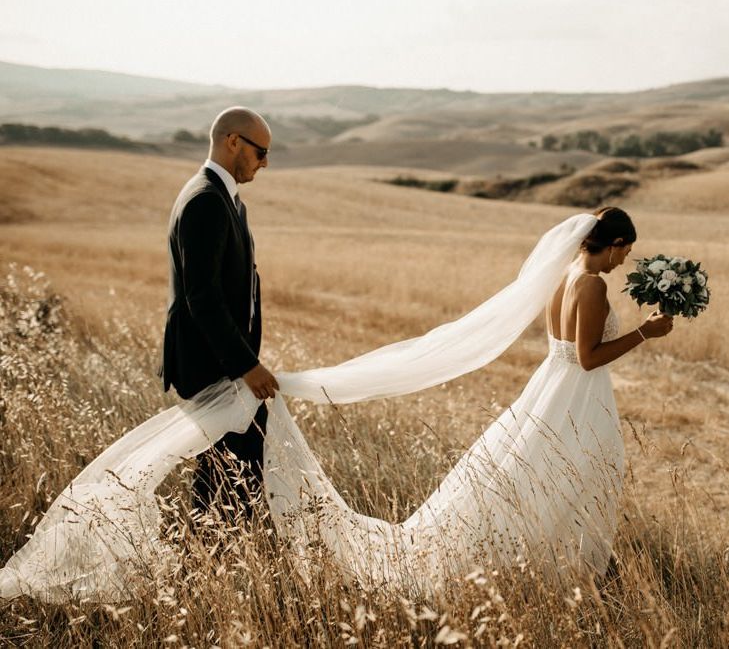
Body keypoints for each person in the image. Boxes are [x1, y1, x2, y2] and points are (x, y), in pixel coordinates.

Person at [0, 208, 676, 602]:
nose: (624, 261)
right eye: (625, 251)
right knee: (570, 479)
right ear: (610, 244)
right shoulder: (588, 284)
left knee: (538, 478)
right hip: (572, 391)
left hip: (553, 391)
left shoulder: (567, 274)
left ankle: (563, 565)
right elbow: (584, 356)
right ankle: (571, 569)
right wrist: (645, 332)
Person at [160, 107, 279, 519]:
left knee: (233, 474)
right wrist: (248, 366)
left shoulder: (226, 197)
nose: (265, 162)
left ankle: (219, 557)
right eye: (260, 151)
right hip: (211, 367)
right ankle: (210, 559)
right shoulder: (205, 200)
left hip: (225, 366)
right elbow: (202, 297)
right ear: (233, 143)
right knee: (225, 479)